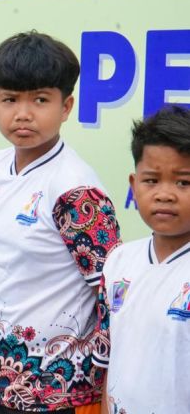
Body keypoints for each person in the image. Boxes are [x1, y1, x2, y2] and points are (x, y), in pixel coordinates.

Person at [0, 32, 121, 413]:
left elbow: (113, 294)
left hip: (61, 391)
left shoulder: (76, 190)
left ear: (66, 106)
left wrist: (104, 384)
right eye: (10, 99)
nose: (23, 113)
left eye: (40, 99)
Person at [94, 105, 190, 414]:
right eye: (151, 181)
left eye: (183, 182)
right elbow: (108, 359)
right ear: (134, 185)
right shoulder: (119, 262)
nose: (165, 194)